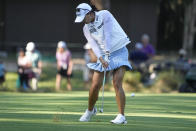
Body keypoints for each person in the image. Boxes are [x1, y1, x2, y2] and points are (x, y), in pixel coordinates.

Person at [75, 3, 132, 124]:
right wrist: (101, 58)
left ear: (90, 13)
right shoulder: (86, 28)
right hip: (103, 55)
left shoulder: (105, 15)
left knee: (117, 82)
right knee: (95, 85)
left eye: (84, 18)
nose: (83, 21)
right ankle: (90, 110)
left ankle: (121, 116)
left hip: (119, 50)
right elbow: (93, 44)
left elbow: (108, 35)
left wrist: (107, 53)